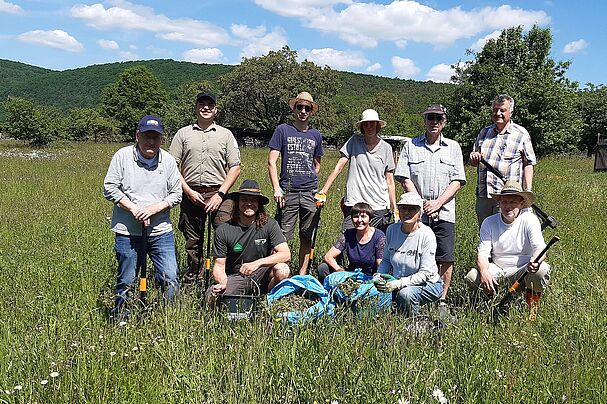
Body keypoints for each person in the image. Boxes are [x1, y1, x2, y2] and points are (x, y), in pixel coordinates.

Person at [103, 115, 182, 322]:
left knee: (170, 277)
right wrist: (134, 209)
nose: (151, 142)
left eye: (156, 137)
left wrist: (155, 209)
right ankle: (122, 318)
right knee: (126, 279)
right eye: (147, 136)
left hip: (160, 232)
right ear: (137, 136)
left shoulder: (169, 161)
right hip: (128, 231)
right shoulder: (122, 156)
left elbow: (176, 194)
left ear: (161, 139)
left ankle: (168, 319)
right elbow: (109, 188)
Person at [394, 104, 466, 315]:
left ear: (444, 122)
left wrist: (437, 204)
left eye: (438, 118)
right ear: (424, 120)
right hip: (416, 211)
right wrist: (423, 203)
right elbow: (404, 177)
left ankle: (441, 298)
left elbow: (458, 181)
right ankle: (415, 293)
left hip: (444, 211)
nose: (434, 121)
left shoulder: (454, 147)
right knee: (414, 252)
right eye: (430, 118)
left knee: (445, 256)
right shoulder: (410, 145)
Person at [169, 92, 241, 283]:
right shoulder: (183, 134)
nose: (206, 107)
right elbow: (171, 165)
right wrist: (188, 191)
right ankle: (194, 277)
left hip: (218, 191)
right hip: (190, 191)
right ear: (196, 108)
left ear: (216, 109)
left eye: (210, 104)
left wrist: (220, 194)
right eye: (202, 104)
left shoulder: (226, 135)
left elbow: (235, 167)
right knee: (192, 239)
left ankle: (225, 276)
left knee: (225, 233)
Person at [464, 181, 550, 316]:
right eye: (504, 202)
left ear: (521, 204)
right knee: (472, 277)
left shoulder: (530, 219)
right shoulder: (489, 222)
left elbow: (540, 248)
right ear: (499, 204)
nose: (507, 206)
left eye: (512, 202)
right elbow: (482, 254)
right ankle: (484, 305)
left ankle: (531, 309)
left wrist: (536, 261)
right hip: (498, 269)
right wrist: (485, 272)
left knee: (541, 269)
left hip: (524, 269)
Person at [268, 91, 324, 275]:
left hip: (309, 192)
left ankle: (301, 275)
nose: (303, 111)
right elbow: (271, 161)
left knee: (307, 236)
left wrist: (314, 185)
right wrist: (277, 188)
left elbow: (317, 165)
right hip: (288, 191)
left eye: (307, 108)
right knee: (282, 236)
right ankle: (278, 274)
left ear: (311, 112)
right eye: (299, 106)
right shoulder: (282, 130)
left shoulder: (316, 135)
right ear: (294, 109)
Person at [208, 179, 291, 298]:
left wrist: (256, 264)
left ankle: (268, 300)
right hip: (237, 276)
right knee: (212, 295)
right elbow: (219, 266)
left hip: (264, 273)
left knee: (282, 269)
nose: (248, 203)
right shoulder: (223, 230)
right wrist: (222, 282)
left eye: (253, 200)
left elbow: (286, 254)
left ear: (259, 204)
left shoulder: (270, 225)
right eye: (244, 200)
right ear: (237, 203)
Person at [319, 109, 396, 233]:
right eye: (366, 123)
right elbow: (339, 166)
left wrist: (394, 206)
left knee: (377, 245)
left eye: (372, 123)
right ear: (362, 126)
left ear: (378, 126)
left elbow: (390, 180)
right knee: (347, 242)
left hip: (378, 205)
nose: (369, 126)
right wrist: (324, 191)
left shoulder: (386, 148)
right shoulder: (354, 141)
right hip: (354, 203)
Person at [469, 94, 537, 226]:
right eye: (495, 110)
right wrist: (473, 158)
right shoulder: (484, 133)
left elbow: (528, 163)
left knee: (506, 235)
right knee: (486, 233)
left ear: (510, 112)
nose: (498, 113)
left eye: (502, 110)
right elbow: (473, 162)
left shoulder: (521, 134)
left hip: (508, 197)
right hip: (484, 195)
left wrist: (527, 191)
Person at [375, 192, 443, 317]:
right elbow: (386, 260)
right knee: (375, 294)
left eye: (412, 209)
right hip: (397, 280)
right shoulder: (391, 230)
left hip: (428, 284)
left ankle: (411, 323)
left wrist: (400, 284)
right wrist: (379, 275)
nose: (407, 212)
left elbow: (425, 273)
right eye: (403, 208)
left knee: (405, 294)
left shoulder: (426, 235)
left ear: (420, 213)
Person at [317, 202, 386, 284]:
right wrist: (339, 270)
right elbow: (328, 256)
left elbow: (381, 264)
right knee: (323, 268)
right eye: (356, 217)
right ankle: (328, 293)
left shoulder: (379, 236)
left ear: (370, 219)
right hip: (350, 275)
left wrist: (376, 280)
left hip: (370, 277)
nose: (359, 220)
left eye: (363, 217)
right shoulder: (348, 234)